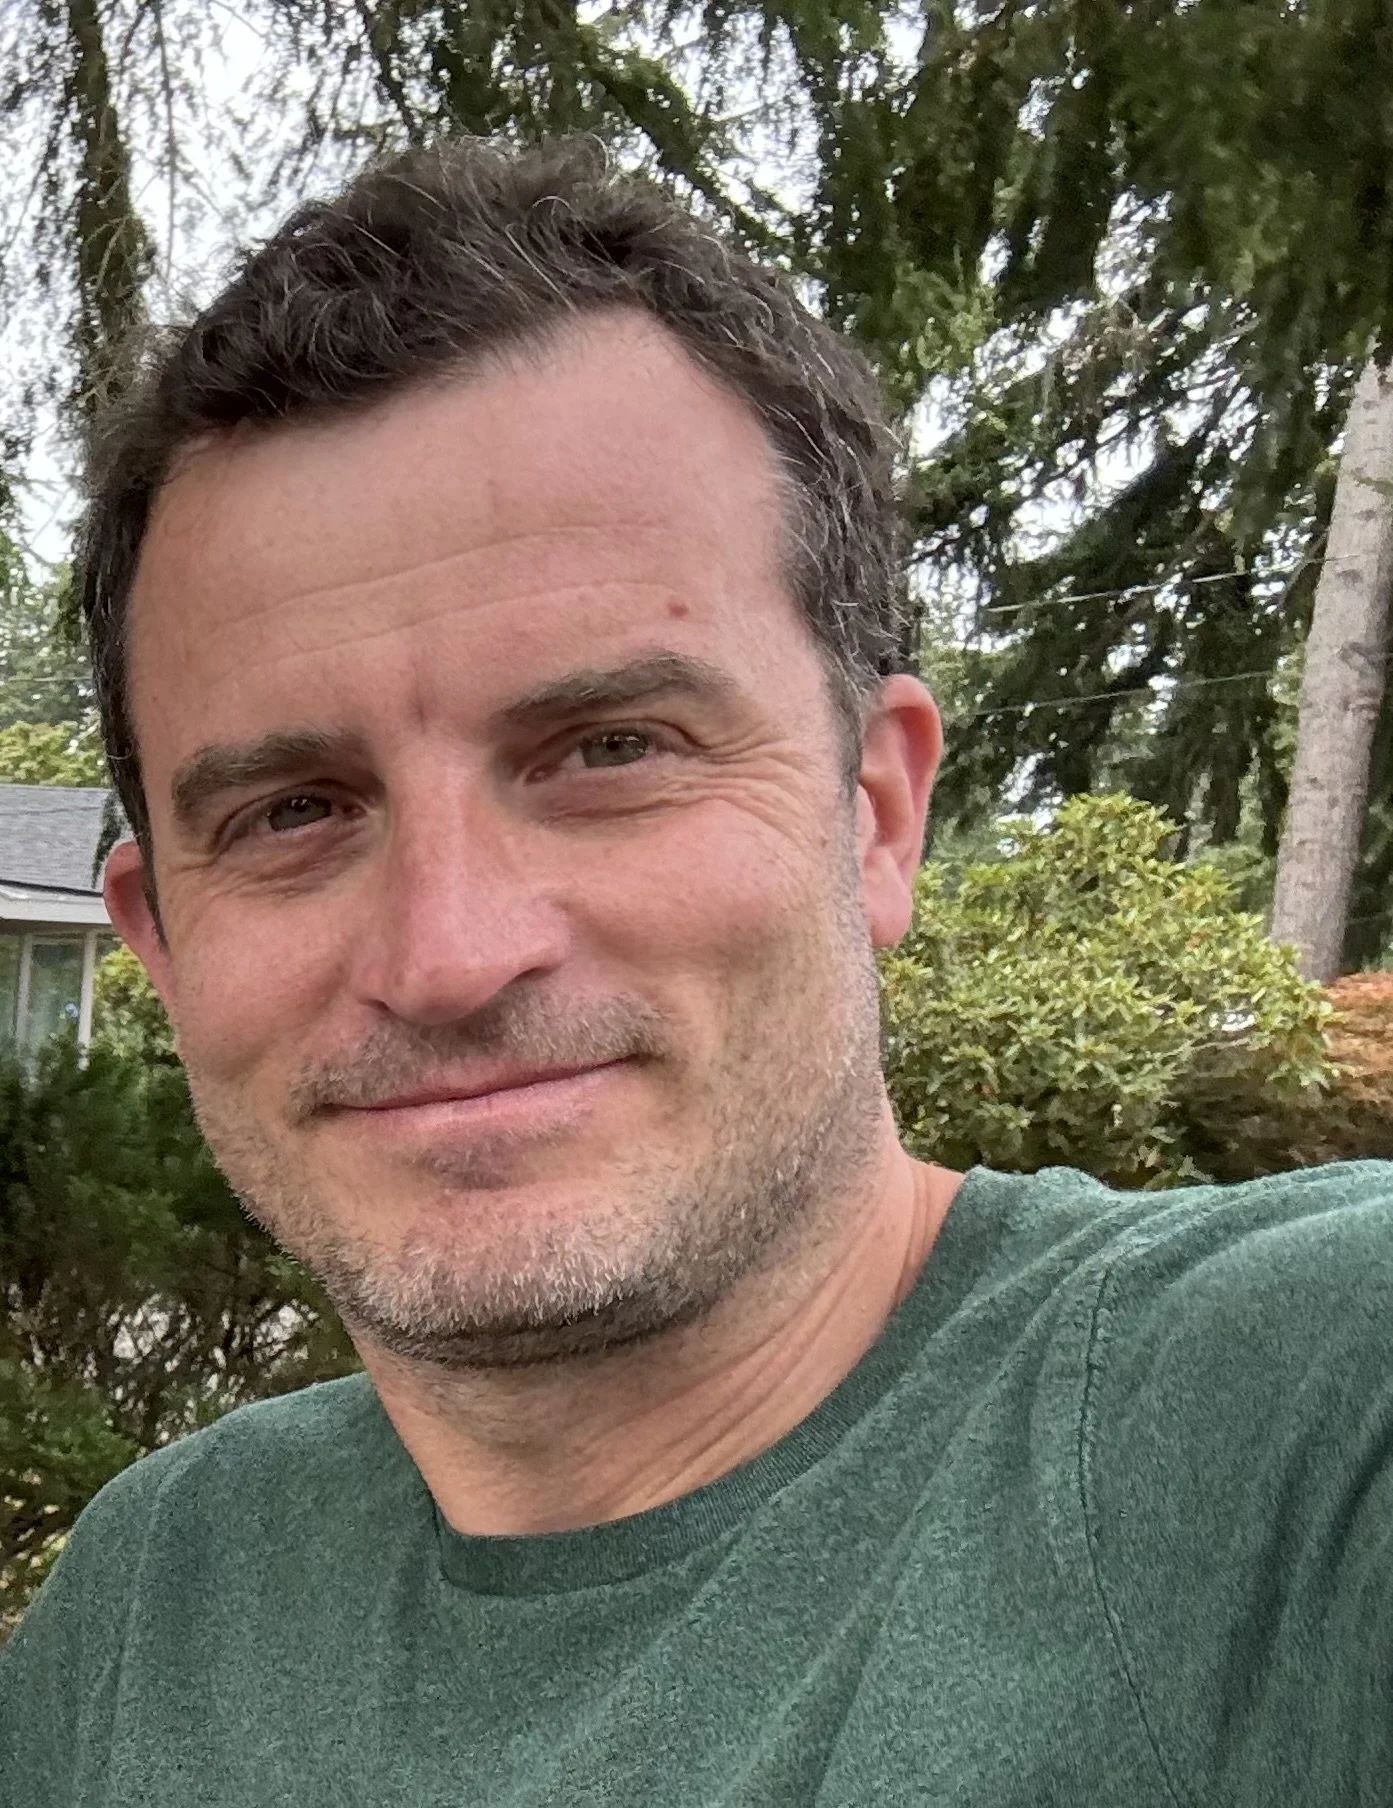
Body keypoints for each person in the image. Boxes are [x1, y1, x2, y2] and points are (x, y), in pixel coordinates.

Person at [1, 136, 1390, 1808]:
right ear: (158, 938)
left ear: (875, 811)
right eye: (295, 809)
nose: (447, 955)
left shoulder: (1297, 1425)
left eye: (607, 749)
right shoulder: (155, 1603)